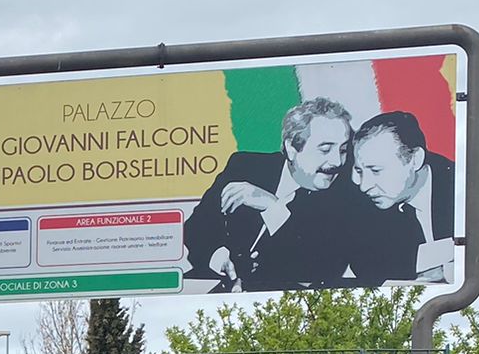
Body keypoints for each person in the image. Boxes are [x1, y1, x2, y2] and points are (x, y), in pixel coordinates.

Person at [181, 98, 364, 291]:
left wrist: (274, 207)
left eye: (343, 150)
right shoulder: (244, 166)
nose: (337, 161)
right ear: (292, 148)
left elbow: (320, 268)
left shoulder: (346, 198)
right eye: (325, 149)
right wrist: (219, 258)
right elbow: (196, 227)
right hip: (208, 291)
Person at [348, 111, 458, 283]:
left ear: (415, 160)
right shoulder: (365, 200)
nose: (364, 186)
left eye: (376, 170)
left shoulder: (458, 184)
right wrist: (445, 254)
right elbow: (366, 264)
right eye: (359, 171)